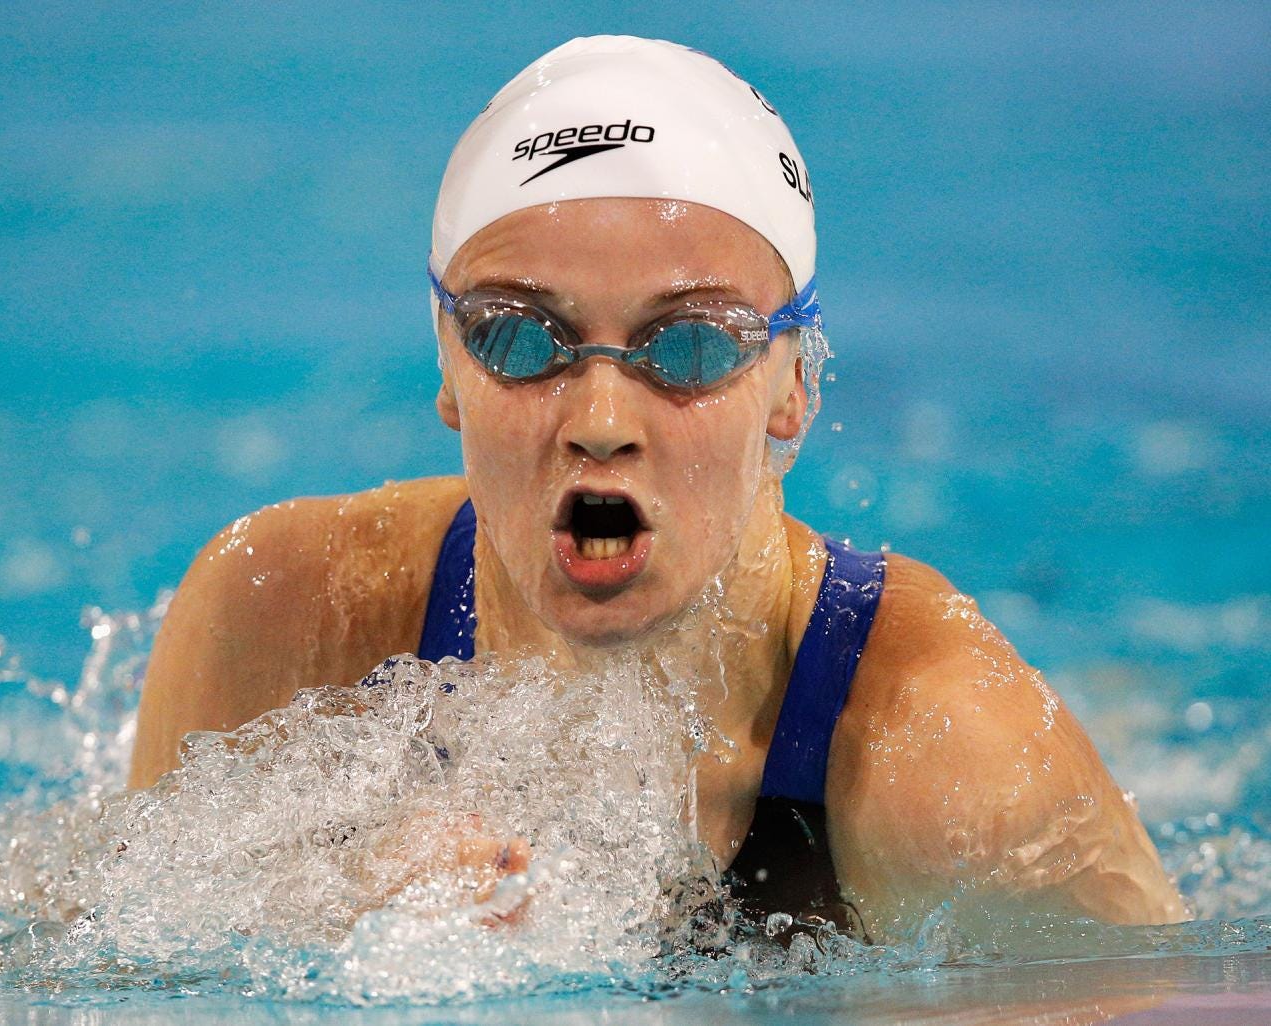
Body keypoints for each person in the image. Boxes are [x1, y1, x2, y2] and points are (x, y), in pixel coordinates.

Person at [128, 36, 1187, 941]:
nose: (598, 423)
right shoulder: (282, 620)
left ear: (793, 388)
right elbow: (77, 962)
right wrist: (332, 903)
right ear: (448, 364)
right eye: (518, 337)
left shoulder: (957, 765)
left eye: (687, 348)